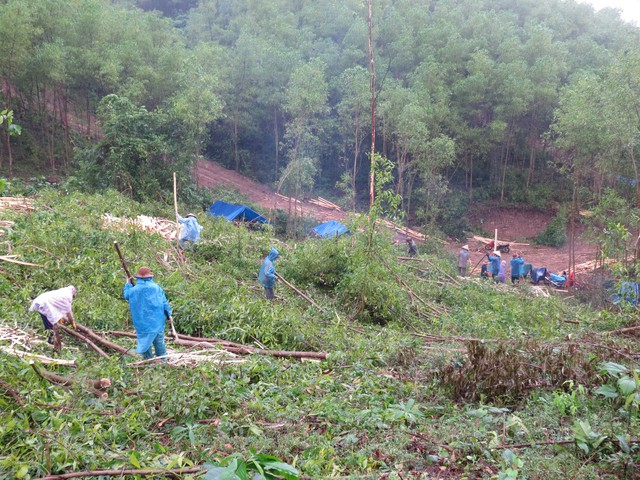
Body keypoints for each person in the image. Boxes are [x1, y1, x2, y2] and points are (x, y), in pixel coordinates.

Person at [123, 267, 172, 360]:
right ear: (150, 277)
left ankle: (148, 361)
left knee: (144, 341)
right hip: (157, 320)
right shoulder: (156, 288)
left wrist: (128, 284)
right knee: (159, 341)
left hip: (141, 322)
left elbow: (126, 295)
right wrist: (169, 315)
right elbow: (164, 302)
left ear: (138, 278)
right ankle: (163, 360)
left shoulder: (134, 290)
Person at [29, 286, 77, 350]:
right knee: (51, 326)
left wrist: (61, 319)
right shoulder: (68, 296)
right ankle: (52, 343)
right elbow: (69, 313)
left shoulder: (62, 293)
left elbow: (56, 306)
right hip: (44, 304)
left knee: (48, 323)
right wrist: (72, 323)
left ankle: (51, 341)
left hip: (40, 301)